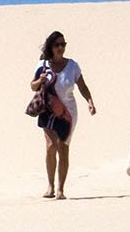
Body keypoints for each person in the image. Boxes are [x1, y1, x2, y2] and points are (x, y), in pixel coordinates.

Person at [30, 30, 96, 199]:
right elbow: (33, 86)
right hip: (47, 110)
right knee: (51, 146)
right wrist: (40, 80)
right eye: (57, 45)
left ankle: (61, 189)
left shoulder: (72, 65)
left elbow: (82, 85)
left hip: (68, 113)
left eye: (63, 44)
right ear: (51, 47)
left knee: (63, 148)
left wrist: (89, 101)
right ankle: (50, 186)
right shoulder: (43, 65)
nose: (60, 48)